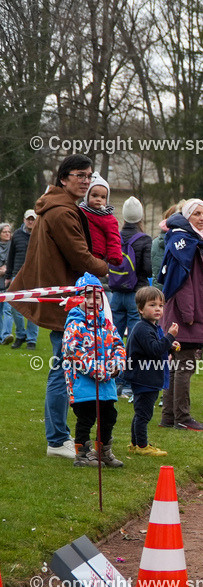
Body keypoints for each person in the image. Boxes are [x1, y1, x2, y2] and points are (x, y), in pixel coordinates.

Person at [10, 155, 109, 459]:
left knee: (63, 367)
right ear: (63, 178)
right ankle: (56, 440)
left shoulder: (56, 206)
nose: (85, 181)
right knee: (61, 370)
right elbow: (80, 257)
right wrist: (106, 267)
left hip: (64, 298)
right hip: (65, 301)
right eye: (80, 175)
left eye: (89, 175)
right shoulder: (62, 212)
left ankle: (59, 436)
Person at [157, 198, 203, 431]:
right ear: (186, 216)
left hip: (185, 311)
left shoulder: (191, 240)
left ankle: (169, 416)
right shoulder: (185, 243)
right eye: (197, 214)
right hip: (185, 314)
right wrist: (189, 314)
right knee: (185, 366)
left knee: (176, 367)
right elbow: (182, 284)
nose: (202, 218)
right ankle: (182, 417)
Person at [62, 273, 126, 468]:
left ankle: (103, 452)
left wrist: (116, 365)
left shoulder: (106, 323)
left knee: (109, 417)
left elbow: (118, 345)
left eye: (96, 297)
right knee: (86, 418)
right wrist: (98, 371)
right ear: (78, 299)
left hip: (106, 384)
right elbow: (73, 352)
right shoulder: (75, 324)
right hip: (83, 384)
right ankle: (82, 455)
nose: (92, 301)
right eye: (87, 296)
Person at [123, 287, 179, 457]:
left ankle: (135, 444)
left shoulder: (151, 327)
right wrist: (170, 337)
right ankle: (142, 446)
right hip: (144, 378)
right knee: (144, 414)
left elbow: (155, 349)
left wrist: (169, 347)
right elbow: (154, 350)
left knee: (141, 412)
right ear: (141, 309)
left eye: (161, 305)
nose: (158, 309)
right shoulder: (143, 328)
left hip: (147, 377)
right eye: (152, 305)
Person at [108, 196, 152, 399]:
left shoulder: (115, 236)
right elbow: (147, 269)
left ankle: (113, 379)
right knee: (133, 341)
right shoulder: (144, 239)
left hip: (116, 293)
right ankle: (128, 384)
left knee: (114, 338)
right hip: (137, 294)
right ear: (140, 216)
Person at [5, 210, 40, 349]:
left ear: (36, 220)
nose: (30, 221)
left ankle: (31, 339)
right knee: (14, 305)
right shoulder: (17, 235)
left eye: (33, 219)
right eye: (28, 219)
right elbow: (11, 256)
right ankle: (20, 334)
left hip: (36, 275)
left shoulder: (41, 234)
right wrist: (8, 276)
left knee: (33, 308)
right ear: (24, 220)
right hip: (17, 275)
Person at [79, 173, 122, 267]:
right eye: (94, 196)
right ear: (87, 196)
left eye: (103, 197)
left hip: (98, 255)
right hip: (80, 252)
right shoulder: (80, 212)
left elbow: (113, 238)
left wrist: (114, 255)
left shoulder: (109, 219)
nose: (98, 199)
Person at [0, 223, 11, 343]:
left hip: (9, 284)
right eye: (5, 232)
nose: (7, 234)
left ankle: (6, 335)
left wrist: (7, 270)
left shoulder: (13, 246)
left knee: (8, 310)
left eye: (9, 231)